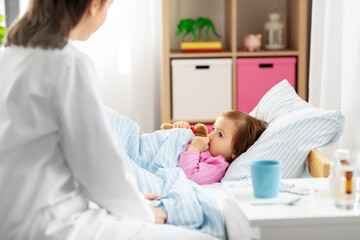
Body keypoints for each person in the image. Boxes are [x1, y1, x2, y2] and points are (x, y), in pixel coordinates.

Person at [0, 0, 217, 239]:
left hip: (14, 219)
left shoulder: (7, 57)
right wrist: (138, 210)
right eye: (109, 6)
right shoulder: (68, 62)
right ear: (94, 5)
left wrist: (121, 202)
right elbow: (98, 167)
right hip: (53, 225)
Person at [174, 110, 267, 185]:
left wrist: (194, 149)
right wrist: (182, 130)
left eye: (220, 134)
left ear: (235, 151)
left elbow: (188, 176)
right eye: (214, 129)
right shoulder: (205, 147)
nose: (210, 135)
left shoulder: (217, 166)